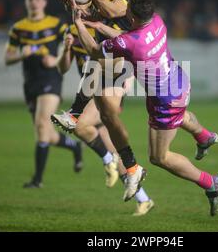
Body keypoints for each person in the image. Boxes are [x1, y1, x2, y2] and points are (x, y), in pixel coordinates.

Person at [66, 0, 218, 216]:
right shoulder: (157, 21)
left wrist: (78, 24)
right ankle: (204, 136)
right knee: (181, 114)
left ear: (130, 15)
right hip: (178, 81)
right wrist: (98, 25)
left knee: (159, 157)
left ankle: (210, 183)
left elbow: (94, 50)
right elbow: (127, 37)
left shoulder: (131, 44)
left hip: (165, 101)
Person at [56, 28, 154, 216]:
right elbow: (62, 68)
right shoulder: (71, 31)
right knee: (116, 151)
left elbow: (129, 49)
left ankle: (108, 160)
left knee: (78, 123)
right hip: (91, 94)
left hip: (108, 89)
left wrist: (130, 78)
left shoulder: (104, 26)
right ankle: (144, 199)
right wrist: (66, 49)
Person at [4, 0, 83, 188]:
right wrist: (23, 53)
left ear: (45, 2)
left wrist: (56, 59)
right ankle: (74, 146)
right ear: (26, 2)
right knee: (46, 133)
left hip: (51, 78)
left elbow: (70, 45)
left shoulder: (56, 24)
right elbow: (7, 57)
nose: (34, 2)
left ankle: (37, 180)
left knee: (41, 126)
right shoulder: (18, 28)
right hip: (30, 82)